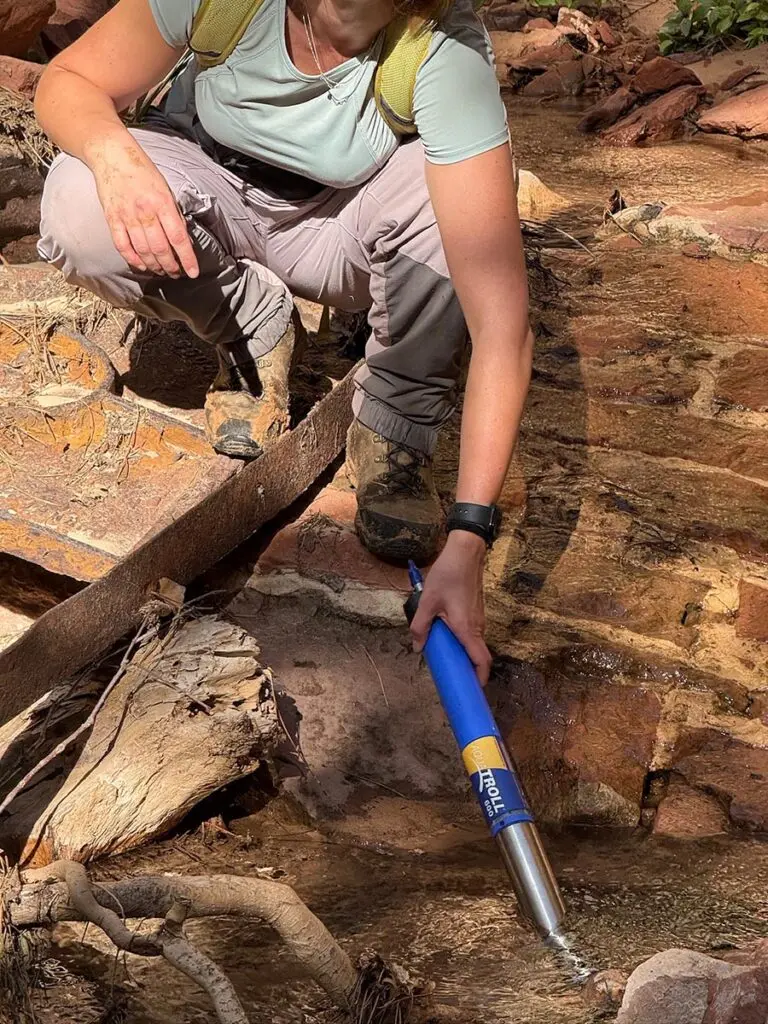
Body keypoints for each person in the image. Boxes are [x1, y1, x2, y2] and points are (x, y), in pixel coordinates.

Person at [34, 0, 533, 683]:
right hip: (209, 190)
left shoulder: (442, 52)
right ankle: (249, 325)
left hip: (339, 229)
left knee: (458, 200)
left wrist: (471, 537)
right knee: (78, 203)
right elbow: (66, 81)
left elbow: (502, 328)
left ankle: (397, 424)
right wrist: (116, 158)